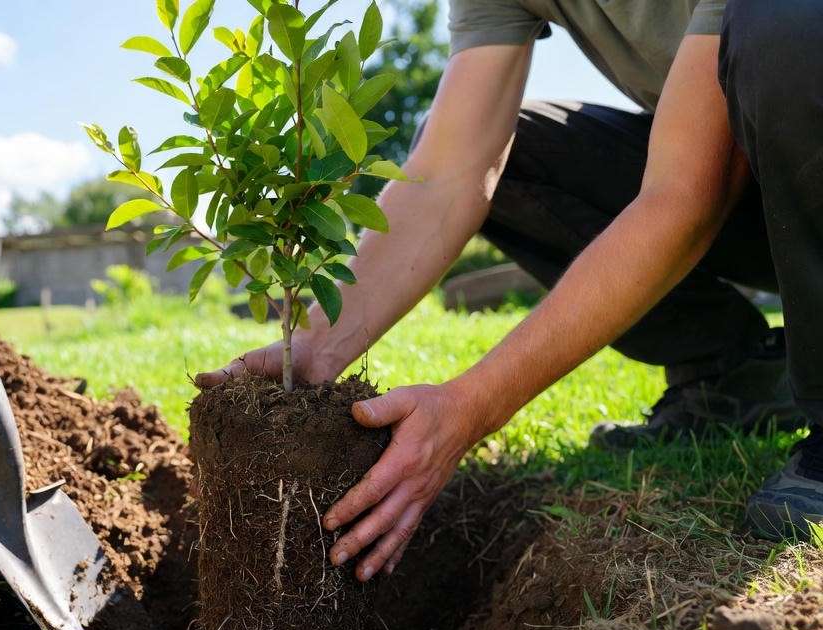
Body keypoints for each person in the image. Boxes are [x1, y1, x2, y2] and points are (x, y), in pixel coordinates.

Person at [196, 0, 823, 582]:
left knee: (787, 24)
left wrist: (470, 406)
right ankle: (732, 372)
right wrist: (317, 346)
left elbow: (685, 193)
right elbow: (449, 172)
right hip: (767, 176)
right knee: (512, 148)